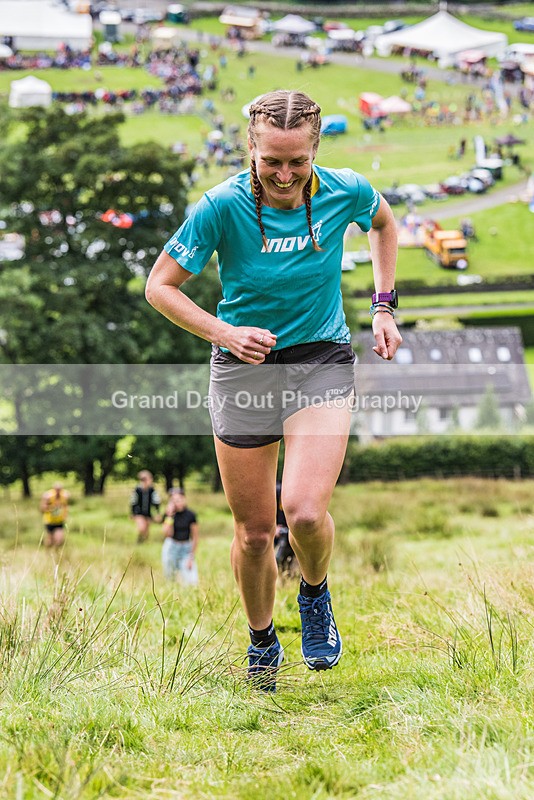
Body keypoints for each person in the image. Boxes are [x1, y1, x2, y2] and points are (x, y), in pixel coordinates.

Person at [146, 89, 402, 691]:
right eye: (271, 162)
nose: (285, 176)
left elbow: (383, 223)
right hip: (244, 367)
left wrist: (383, 305)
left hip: (320, 358)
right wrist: (223, 332)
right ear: (251, 150)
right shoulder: (220, 206)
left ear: (316, 151)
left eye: (298, 162)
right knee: (256, 532)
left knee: (305, 513)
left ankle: (314, 594)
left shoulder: (346, 190)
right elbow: (160, 286)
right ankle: (262, 640)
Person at [161, 488, 199, 585]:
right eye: (173, 500)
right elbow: (167, 534)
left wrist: (191, 557)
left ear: (184, 499)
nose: (176, 503)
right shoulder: (169, 515)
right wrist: (170, 516)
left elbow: (195, 537)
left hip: (185, 548)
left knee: (192, 582)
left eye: (178, 500)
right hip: (171, 547)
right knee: (170, 579)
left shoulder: (191, 515)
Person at [274, 480, 298, 578]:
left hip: (293, 530)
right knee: (278, 557)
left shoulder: (298, 493)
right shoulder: (277, 491)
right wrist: (274, 526)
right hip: (278, 530)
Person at [130, 470, 161, 543]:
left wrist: (157, 513)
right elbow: (133, 502)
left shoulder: (152, 490)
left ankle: (143, 542)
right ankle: (139, 541)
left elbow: (156, 502)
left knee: (146, 530)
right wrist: (133, 513)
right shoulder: (137, 490)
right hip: (139, 512)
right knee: (142, 528)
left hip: (148, 512)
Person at [40, 482, 69, 547]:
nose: (58, 492)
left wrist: (65, 514)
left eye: (60, 490)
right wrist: (51, 508)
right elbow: (42, 508)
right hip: (49, 521)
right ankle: (48, 550)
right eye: (57, 490)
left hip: (59, 521)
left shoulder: (64, 496)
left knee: (59, 539)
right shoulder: (48, 496)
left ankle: (56, 550)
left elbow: (65, 506)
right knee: (50, 540)